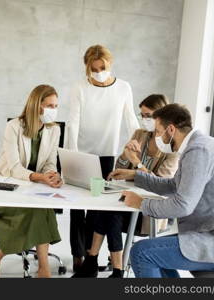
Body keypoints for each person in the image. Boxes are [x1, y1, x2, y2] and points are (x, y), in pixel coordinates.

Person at [110, 103, 214, 278]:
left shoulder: (199, 150)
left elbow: (183, 205)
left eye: (158, 131)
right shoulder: (197, 147)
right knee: (152, 251)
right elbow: (173, 186)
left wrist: (142, 203)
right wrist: (136, 175)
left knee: (142, 252)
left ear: (170, 129)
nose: (155, 137)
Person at [72, 94, 179, 278]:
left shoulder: (173, 149)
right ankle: (110, 269)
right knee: (104, 208)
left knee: (110, 211)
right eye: (142, 115)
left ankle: (98, 264)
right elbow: (120, 168)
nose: (144, 120)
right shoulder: (140, 134)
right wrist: (124, 155)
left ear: (161, 117)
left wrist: (136, 165)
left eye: (148, 115)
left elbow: (160, 183)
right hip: (127, 199)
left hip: (147, 209)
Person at [67, 45, 139, 271]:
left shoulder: (123, 87)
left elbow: (130, 118)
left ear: (110, 64)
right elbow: (73, 122)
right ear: (87, 68)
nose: (99, 72)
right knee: (78, 208)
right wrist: (73, 154)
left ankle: (92, 255)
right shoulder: (80, 87)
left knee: (99, 209)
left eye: (103, 67)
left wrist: (138, 143)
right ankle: (78, 255)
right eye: (94, 69)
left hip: (108, 156)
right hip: (82, 154)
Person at [0, 84, 63, 278]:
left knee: (40, 207)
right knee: (40, 210)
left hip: (34, 189)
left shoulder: (54, 130)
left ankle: (42, 268)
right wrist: (41, 178)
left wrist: (52, 175)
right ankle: (1, 258)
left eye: (56, 106)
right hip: (6, 187)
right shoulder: (13, 127)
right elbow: (14, 168)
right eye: (50, 106)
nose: (54, 110)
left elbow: (50, 162)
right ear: (37, 106)